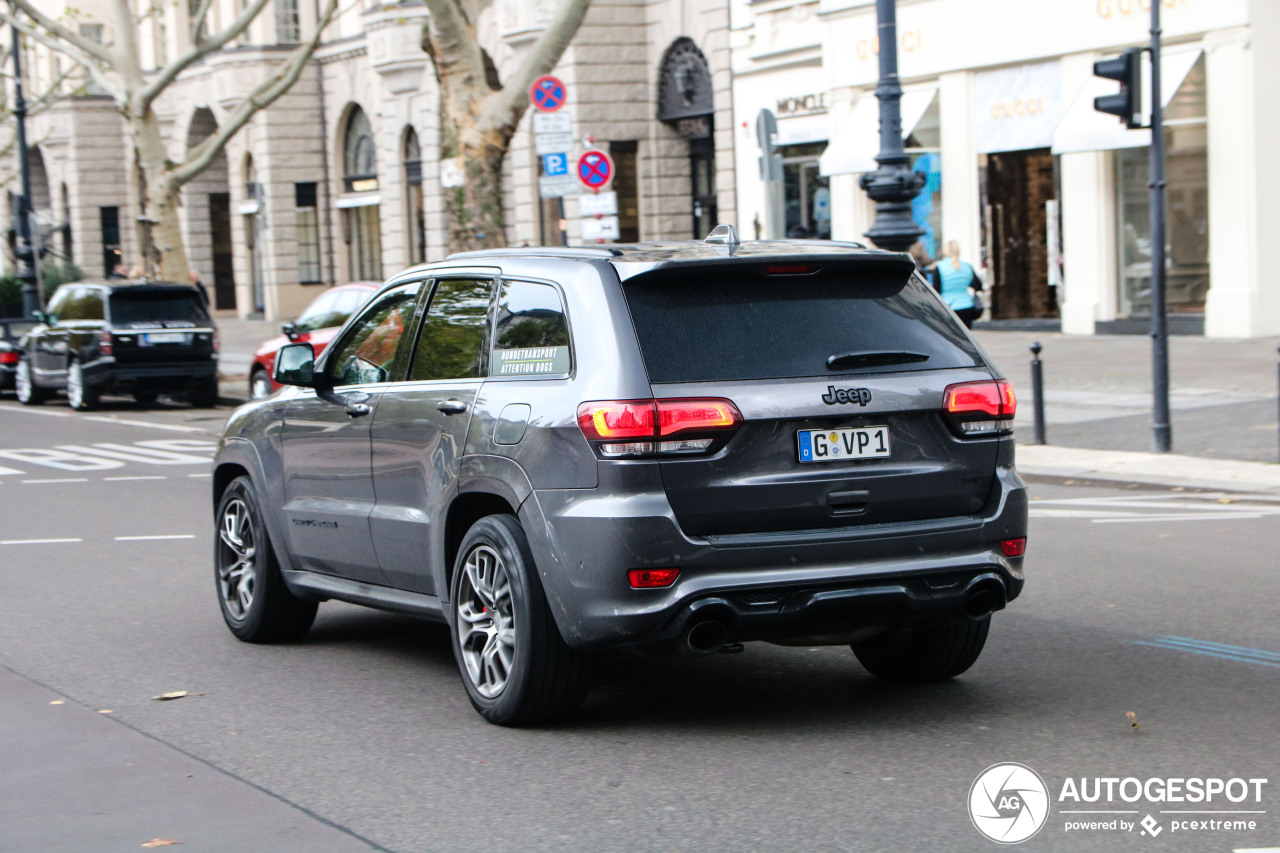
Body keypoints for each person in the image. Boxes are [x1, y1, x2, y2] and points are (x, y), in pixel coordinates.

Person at [930, 241, 983, 329]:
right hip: (967, 307)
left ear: (945, 251)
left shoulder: (940, 267)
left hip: (948, 307)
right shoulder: (967, 266)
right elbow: (978, 286)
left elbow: (936, 289)